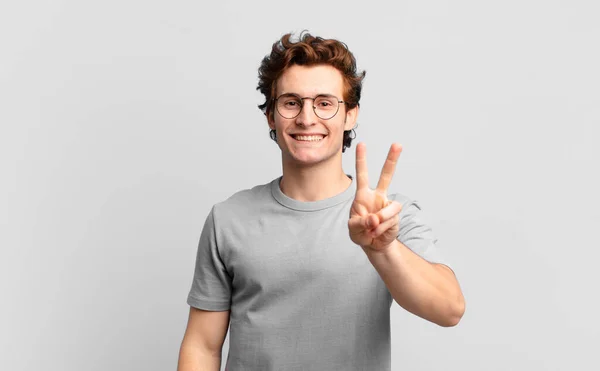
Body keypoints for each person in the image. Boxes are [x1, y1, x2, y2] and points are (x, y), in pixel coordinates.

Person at [177, 32, 465, 371]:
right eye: (291, 102)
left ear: (351, 115)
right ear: (271, 116)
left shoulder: (387, 216)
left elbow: (449, 309)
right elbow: (202, 346)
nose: (307, 118)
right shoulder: (228, 218)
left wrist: (382, 249)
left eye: (325, 103)